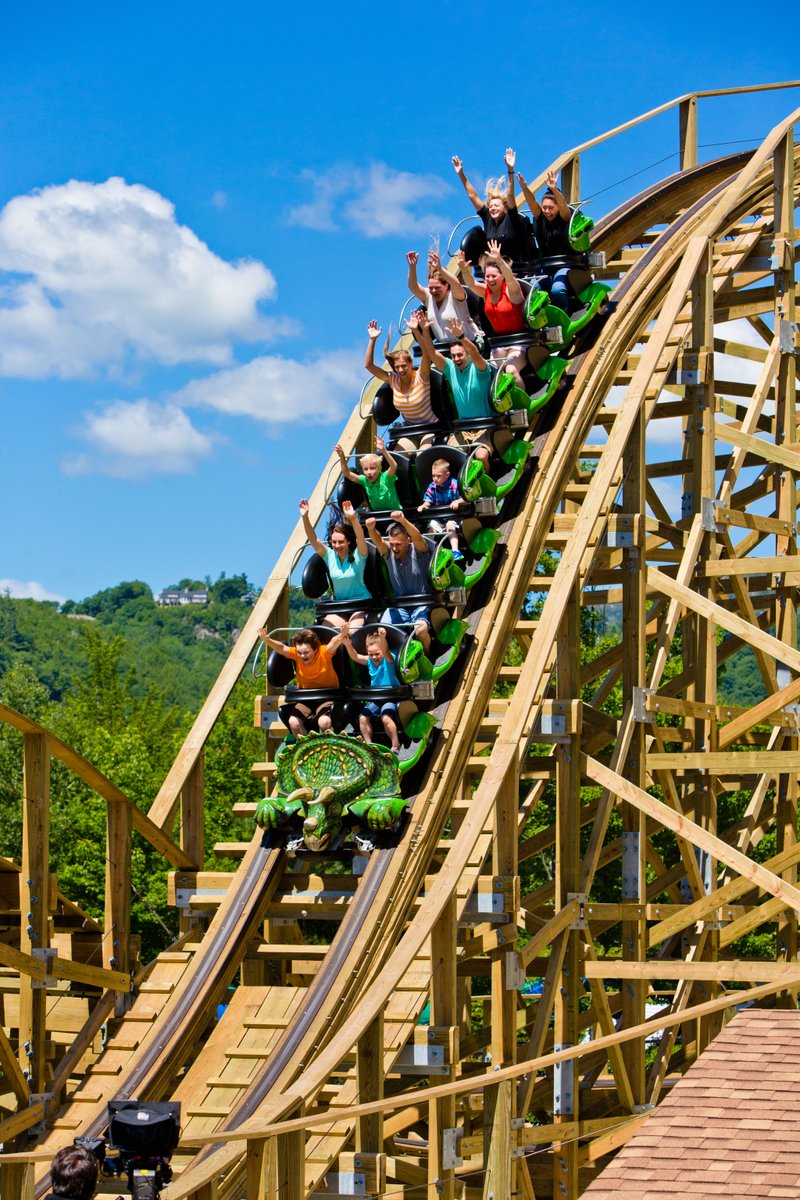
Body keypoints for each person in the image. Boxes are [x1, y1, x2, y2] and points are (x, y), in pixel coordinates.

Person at [414, 315, 492, 467]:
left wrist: (461, 337)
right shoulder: (451, 369)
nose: (456, 359)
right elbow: (431, 353)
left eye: (460, 355)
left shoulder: (480, 369)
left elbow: (475, 352)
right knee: (446, 460)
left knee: (481, 456)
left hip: (484, 426)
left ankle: (486, 482)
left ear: (467, 354)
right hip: (463, 429)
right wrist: (425, 330)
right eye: (453, 355)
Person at [458, 241, 530, 388]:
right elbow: (471, 285)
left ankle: (523, 405)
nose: (490, 280)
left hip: (520, 341)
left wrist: (499, 261)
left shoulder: (511, 289)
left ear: (501, 276)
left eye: (494, 276)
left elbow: (510, 277)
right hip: (500, 343)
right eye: (487, 276)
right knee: (493, 374)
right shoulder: (486, 292)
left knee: (510, 370)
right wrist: (464, 270)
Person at [257, 626, 347, 736]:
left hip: (326, 698)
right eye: (299, 652)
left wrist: (341, 635)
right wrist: (267, 640)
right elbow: (281, 648)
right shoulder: (297, 656)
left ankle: (328, 748)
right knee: (294, 722)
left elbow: (333, 643)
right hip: (306, 699)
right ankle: (307, 748)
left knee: (324, 722)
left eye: (306, 652)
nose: (302, 656)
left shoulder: (324, 653)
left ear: (315, 649)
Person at [365, 511, 435, 653]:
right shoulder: (389, 554)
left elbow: (417, 536)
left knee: (420, 630)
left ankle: (428, 655)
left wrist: (403, 520)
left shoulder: (418, 552)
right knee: (381, 633)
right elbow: (378, 541)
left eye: (398, 544)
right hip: (399, 607)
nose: (394, 548)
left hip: (420, 604)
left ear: (408, 541)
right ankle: (396, 663)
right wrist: (370, 529)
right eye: (392, 544)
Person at [365, 315, 437, 450]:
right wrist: (372, 340)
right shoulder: (394, 380)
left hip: (430, 429)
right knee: (397, 458)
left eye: (404, 366)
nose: (400, 370)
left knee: (423, 456)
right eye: (397, 367)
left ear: (410, 364)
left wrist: (416, 330)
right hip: (410, 431)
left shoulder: (421, 375)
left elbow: (427, 352)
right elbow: (369, 366)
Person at [451, 148, 532, 265]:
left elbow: (510, 194)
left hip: (514, 268)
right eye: (491, 206)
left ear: (505, 208)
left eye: (496, 205)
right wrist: (461, 174)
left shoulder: (511, 218)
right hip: (494, 268)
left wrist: (510, 170)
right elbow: (473, 196)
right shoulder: (488, 218)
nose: (493, 208)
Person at [516, 169, 574, 310]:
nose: (547, 211)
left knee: (557, 289)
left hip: (564, 266)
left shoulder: (564, 218)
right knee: (532, 290)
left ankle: (564, 315)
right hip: (546, 268)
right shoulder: (540, 218)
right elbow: (532, 202)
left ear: (557, 208)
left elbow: (564, 207)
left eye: (550, 208)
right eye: (545, 208)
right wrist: (524, 188)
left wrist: (554, 189)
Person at [341, 625, 402, 753]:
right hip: (376, 698)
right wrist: (347, 644)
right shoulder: (369, 661)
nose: (374, 657)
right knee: (363, 718)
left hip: (390, 697)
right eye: (371, 654)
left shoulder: (389, 659)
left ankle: (395, 745)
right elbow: (355, 657)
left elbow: (385, 652)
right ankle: (369, 746)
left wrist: (382, 637)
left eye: (377, 654)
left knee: (385, 717)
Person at [406, 249, 483, 347]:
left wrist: (440, 269)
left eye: (437, 288)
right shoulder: (428, 298)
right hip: (446, 349)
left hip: (468, 345)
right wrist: (412, 267)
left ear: (446, 285)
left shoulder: (455, 296)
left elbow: (456, 284)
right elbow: (413, 286)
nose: (433, 291)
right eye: (431, 288)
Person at [417, 457, 466, 562]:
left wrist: (457, 502)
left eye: (438, 476)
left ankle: (455, 551)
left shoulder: (455, 484)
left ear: (447, 475)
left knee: (450, 526)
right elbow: (428, 500)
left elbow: (466, 498)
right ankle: (427, 552)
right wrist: (424, 505)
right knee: (432, 526)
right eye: (433, 475)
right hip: (439, 518)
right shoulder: (432, 486)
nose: (435, 479)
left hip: (453, 517)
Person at [335, 436, 401, 511]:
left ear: (379, 469)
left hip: (395, 513)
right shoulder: (364, 480)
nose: (369, 472)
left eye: (372, 468)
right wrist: (342, 458)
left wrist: (383, 450)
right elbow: (347, 474)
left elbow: (394, 466)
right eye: (366, 469)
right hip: (377, 516)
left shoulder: (386, 477)